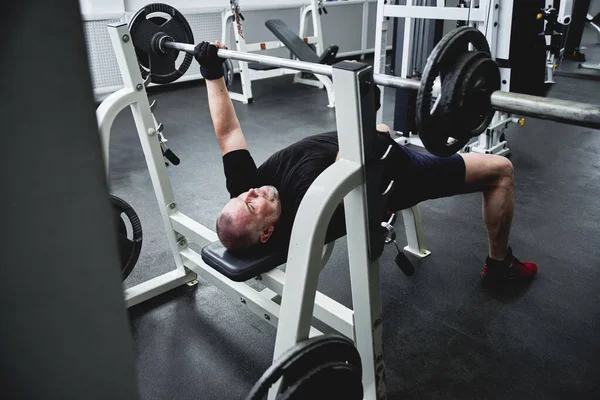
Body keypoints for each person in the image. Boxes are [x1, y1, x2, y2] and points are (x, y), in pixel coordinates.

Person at [193, 41, 537, 283]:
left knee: (383, 127)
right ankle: (499, 265)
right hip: (398, 172)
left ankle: (380, 144)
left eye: (242, 197)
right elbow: (351, 160)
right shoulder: (306, 206)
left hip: (375, 143)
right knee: (500, 171)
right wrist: (360, 103)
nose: (251, 193)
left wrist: (211, 72)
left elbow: (227, 134)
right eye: (252, 206)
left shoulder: (246, 190)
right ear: (268, 232)